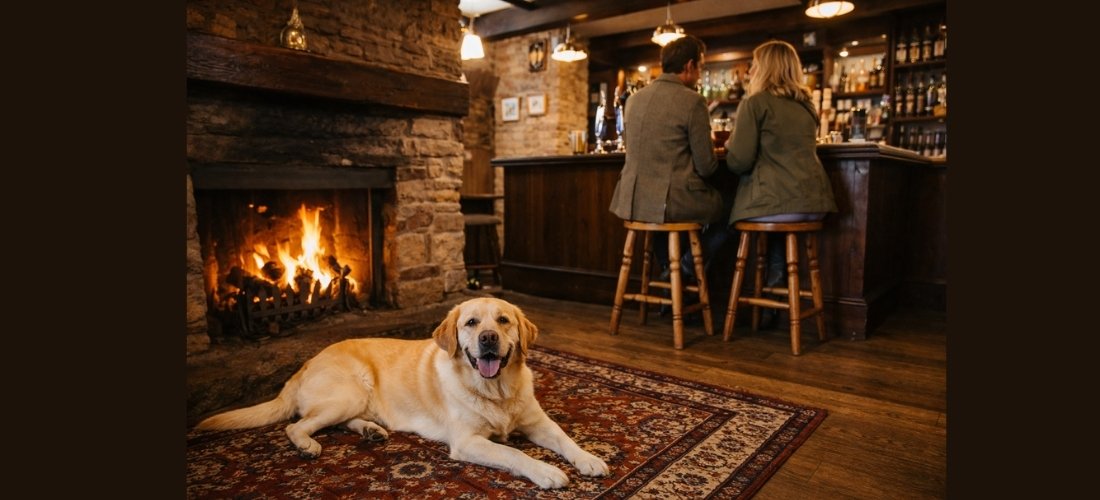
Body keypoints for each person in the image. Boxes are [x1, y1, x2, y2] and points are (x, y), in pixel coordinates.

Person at [724, 40, 838, 327]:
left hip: (778, 204)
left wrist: (730, 146)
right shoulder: (807, 106)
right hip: (814, 204)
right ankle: (774, 294)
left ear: (766, 68)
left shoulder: (755, 103)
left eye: (755, 64)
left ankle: (684, 275)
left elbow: (738, 162)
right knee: (776, 221)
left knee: (726, 214)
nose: (750, 70)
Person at [609, 35, 730, 284]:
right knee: (732, 209)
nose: (700, 74)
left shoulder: (633, 100)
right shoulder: (693, 101)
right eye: (700, 67)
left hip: (634, 201)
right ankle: (683, 270)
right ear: (689, 66)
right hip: (672, 203)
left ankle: (669, 274)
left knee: (663, 213)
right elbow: (706, 167)